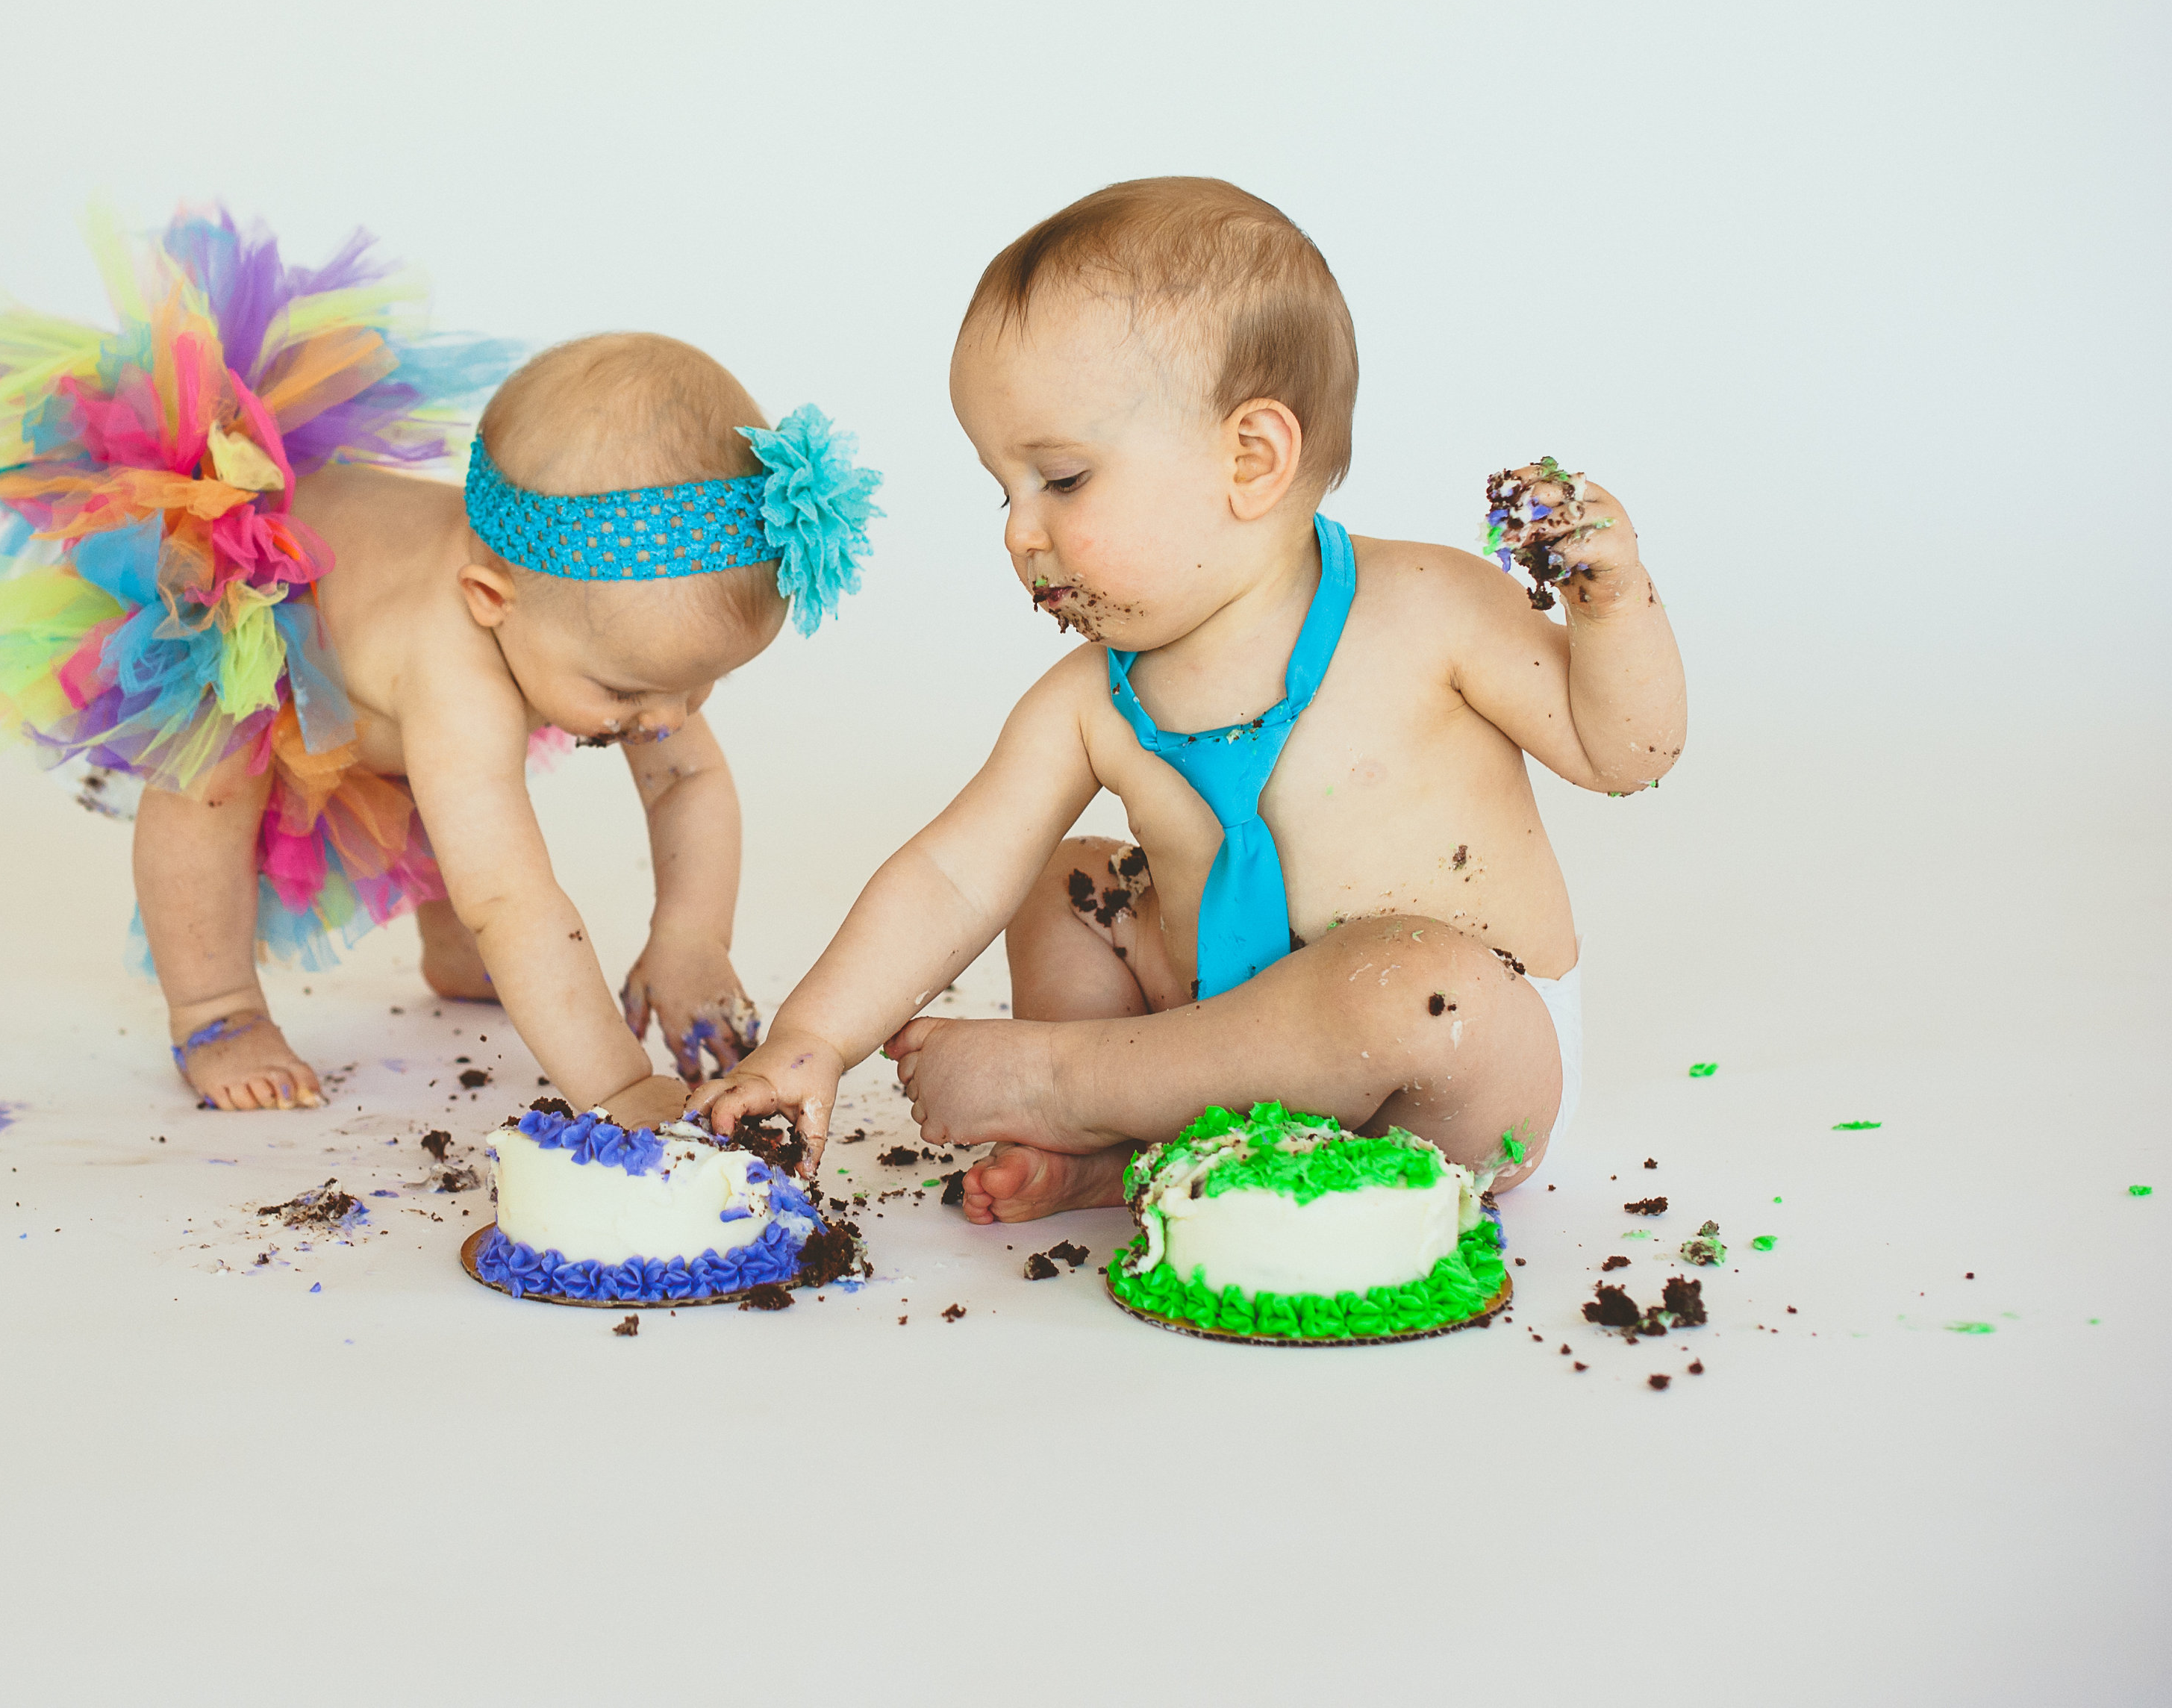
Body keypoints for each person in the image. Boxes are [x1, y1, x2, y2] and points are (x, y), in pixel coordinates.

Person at [696, 176, 1682, 1218]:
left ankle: (1071, 1085)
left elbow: (1626, 753)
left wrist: (1613, 605)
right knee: (1061, 883)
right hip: (1214, 1032)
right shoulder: (1087, 703)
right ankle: (1132, 1148)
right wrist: (811, 1039)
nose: (1018, 532)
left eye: (1061, 479)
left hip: (1449, 1078)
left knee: (1416, 980)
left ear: (1251, 458)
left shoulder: (1432, 606)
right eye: (1004, 489)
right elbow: (951, 876)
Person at [0, 205, 881, 1113]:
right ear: (491, 600)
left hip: (382, 647)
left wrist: (691, 937)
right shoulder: (464, 670)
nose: (667, 719)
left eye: (702, 685)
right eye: (630, 692)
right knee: (214, 787)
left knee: (449, 790)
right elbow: (512, 899)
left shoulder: (601, 630)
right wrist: (621, 1090)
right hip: (251, 616)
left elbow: (689, 783)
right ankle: (215, 1007)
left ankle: (448, 959)